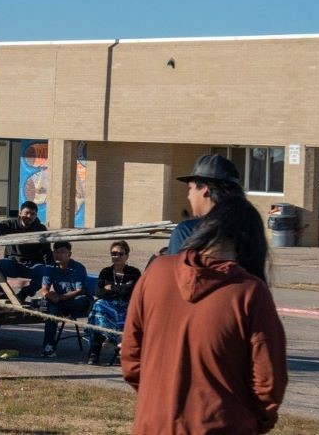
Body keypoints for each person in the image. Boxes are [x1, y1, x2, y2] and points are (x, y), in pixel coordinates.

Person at [122, 196, 287, 434]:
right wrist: (255, 420)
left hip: (154, 423)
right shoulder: (250, 292)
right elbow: (268, 380)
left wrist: (160, 399)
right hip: (223, 424)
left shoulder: (155, 272)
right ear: (250, 243)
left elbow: (130, 357)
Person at [166, 154, 243, 255]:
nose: (188, 196)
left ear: (204, 189)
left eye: (190, 188)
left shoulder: (186, 231)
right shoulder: (250, 227)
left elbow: (176, 269)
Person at [85, 240, 140, 366]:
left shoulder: (134, 272)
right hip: (107, 306)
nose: (116, 257)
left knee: (100, 311)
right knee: (99, 305)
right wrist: (121, 289)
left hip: (127, 306)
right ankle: (112, 343)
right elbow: (99, 292)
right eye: (113, 254)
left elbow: (131, 292)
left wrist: (111, 287)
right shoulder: (106, 272)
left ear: (127, 255)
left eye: (120, 254)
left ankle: (103, 346)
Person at [31, 241, 89, 358]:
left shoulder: (78, 267)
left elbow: (79, 290)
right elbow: (44, 289)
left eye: (62, 252)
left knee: (82, 300)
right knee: (51, 311)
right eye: (56, 252)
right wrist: (48, 295)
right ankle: (49, 347)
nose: (58, 255)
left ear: (69, 254)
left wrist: (59, 297)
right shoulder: (50, 267)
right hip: (59, 301)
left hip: (75, 301)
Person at [0, 201, 50, 279]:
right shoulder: (10, 225)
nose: (29, 216)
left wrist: (49, 265)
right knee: (0, 265)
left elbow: (46, 250)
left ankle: (27, 291)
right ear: (20, 213)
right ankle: (2, 290)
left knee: (44, 270)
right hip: (13, 263)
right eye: (26, 213)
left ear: (36, 215)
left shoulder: (40, 229)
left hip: (32, 264)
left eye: (32, 214)